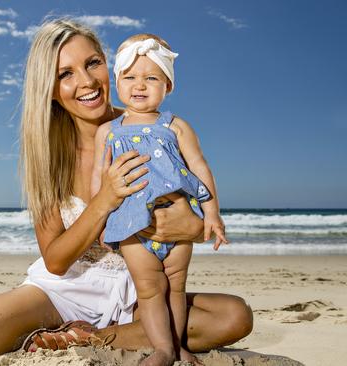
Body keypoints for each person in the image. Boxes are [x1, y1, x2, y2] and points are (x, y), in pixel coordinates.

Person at [0, 19, 253, 363]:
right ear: (49, 89)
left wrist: (194, 226)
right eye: (66, 74)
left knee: (233, 317)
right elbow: (56, 260)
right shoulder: (48, 155)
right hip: (65, 292)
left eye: (93, 63)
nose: (87, 82)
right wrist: (105, 199)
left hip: (140, 291)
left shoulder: (154, 131)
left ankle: (90, 336)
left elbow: (194, 205)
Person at [90, 33, 228, 365]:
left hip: (179, 221)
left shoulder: (176, 126)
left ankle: (179, 346)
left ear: (168, 86)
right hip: (133, 226)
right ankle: (163, 349)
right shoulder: (108, 131)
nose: (140, 85)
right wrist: (101, 223)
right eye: (130, 77)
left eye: (152, 78)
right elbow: (99, 177)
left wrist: (212, 214)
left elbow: (199, 167)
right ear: (117, 82)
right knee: (150, 291)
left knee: (175, 289)